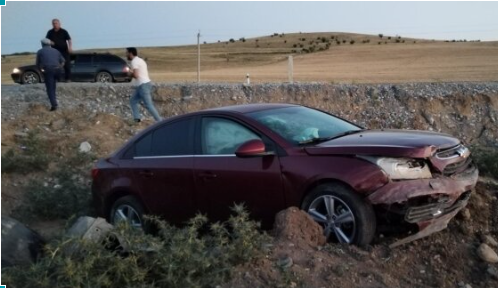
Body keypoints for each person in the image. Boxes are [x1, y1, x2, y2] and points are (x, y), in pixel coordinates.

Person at [126, 47, 162, 122]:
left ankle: (160, 122)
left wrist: (129, 73)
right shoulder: (140, 60)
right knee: (132, 101)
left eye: (127, 53)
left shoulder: (134, 61)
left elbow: (136, 75)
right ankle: (137, 119)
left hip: (143, 86)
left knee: (149, 105)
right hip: (143, 85)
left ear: (130, 53)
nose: (126, 54)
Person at [36, 38, 65, 111]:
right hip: (58, 69)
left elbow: (37, 64)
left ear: (42, 44)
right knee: (54, 85)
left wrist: (41, 71)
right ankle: (60, 80)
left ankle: (54, 105)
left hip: (48, 70)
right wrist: (60, 68)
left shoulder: (40, 52)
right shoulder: (56, 51)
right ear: (49, 44)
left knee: (50, 88)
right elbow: (63, 61)